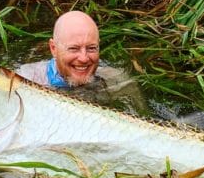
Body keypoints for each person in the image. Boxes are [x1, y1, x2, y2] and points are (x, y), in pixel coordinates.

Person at [15, 11, 148, 113]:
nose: (84, 58)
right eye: (73, 48)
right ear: (53, 48)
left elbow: (143, 118)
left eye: (91, 48)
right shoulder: (25, 82)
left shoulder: (117, 80)